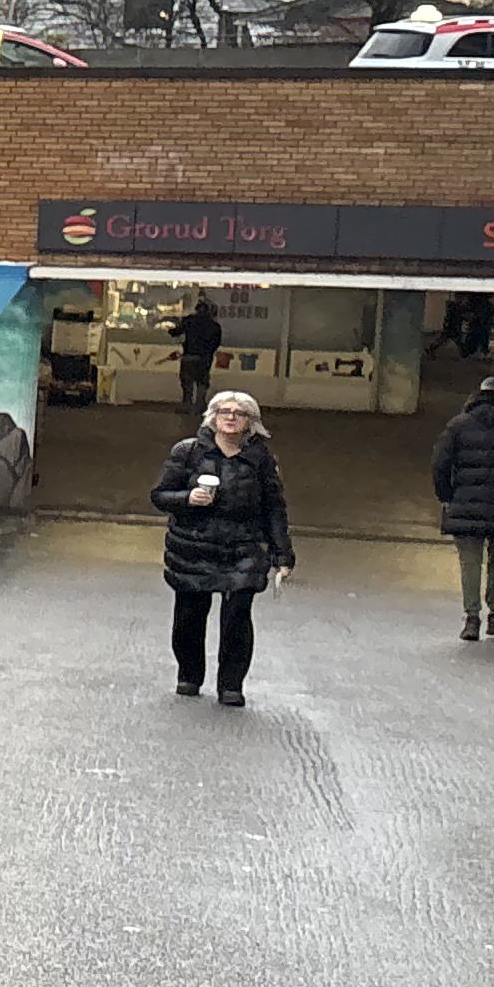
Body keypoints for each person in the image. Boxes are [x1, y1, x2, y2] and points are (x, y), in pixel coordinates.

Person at [155, 389, 291, 703]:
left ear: (250, 422)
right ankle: (189, 675)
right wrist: (187, 499)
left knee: (238, 617)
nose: (230, 417)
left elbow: (274, 507)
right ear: (213, 417)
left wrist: (282, 554)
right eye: (224, 411)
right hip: (193, 546)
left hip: (243, 548)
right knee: (189, 615)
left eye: (239, 413)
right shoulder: (188, 452)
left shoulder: (260, 458)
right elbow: (160, 495)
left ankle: (231, 684)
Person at [433, 364, 494, 642]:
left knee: (470, 562)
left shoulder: (458, 425)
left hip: (465, 503)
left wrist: (447, 495)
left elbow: (440, 464)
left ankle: (472, 618)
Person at [170, 295, 225, 413]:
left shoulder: (189, 321)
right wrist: (208, 353)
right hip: (204, 358)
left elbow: (175, 332)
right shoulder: (214, 326)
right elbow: (216, 343)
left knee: (187, 383)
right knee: (202, 382)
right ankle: (200, 406)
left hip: (189, 355)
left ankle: (187, 405)